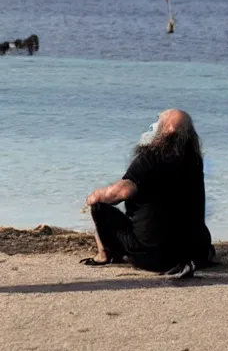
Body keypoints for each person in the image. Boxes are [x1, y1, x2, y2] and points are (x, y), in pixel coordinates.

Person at [80, 109, 214, 278]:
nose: (153, 126)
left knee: (99, 206)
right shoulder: (194, 160)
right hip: (195, 252)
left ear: (166, 131)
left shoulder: (150, 158)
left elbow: (121, 192)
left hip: (153, 257)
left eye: (159, 122)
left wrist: (95, 195)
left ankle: (103, 255)